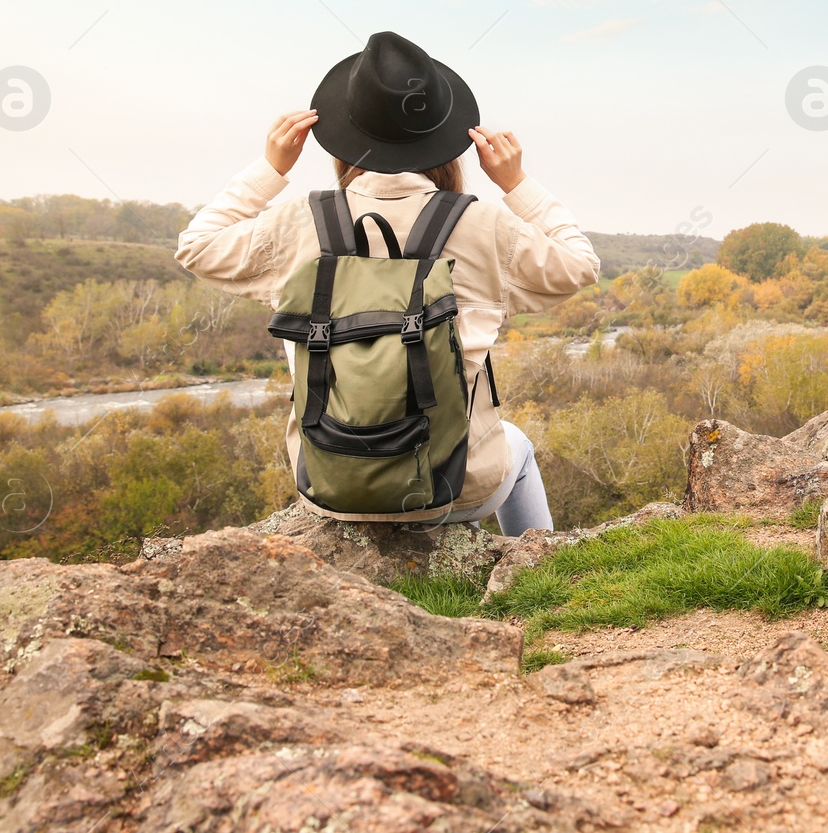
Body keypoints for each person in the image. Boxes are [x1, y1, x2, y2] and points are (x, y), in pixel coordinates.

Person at [175, 31, 599, 535]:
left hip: (330, 482)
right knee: (516, 444)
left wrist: (269, 170)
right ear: (443, 139)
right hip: (454, 487)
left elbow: (196, 246)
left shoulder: (298, 224)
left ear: (345, 134)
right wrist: (517, 183)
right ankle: (535, 569)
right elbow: (581, 264)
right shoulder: (483, 226)